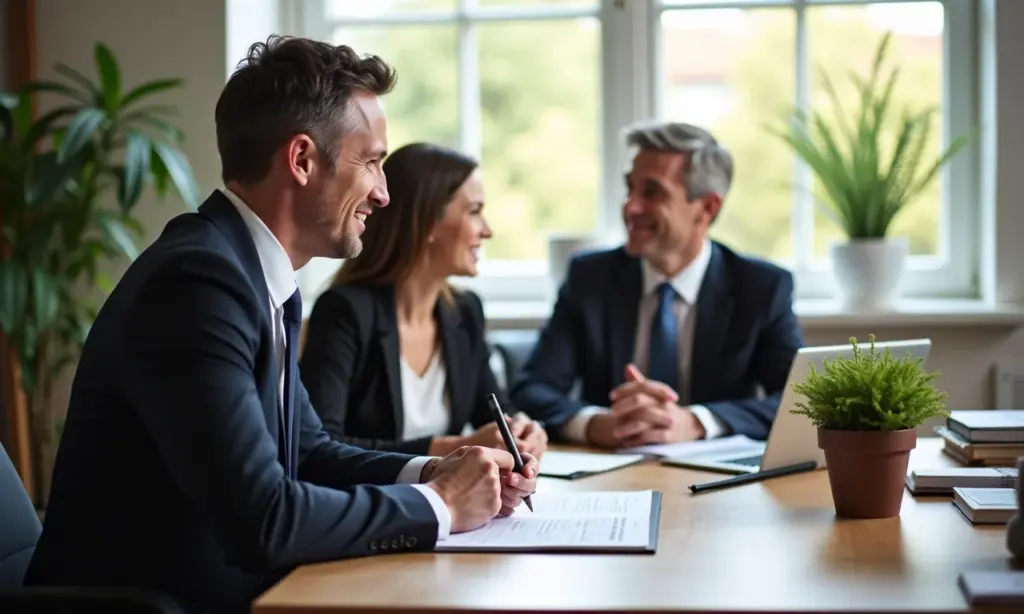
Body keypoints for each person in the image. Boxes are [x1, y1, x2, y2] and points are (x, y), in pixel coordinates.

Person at [24, 36, 537, 614]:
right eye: (370, 162)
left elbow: (309, 449)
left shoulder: (255, 274)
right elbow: (262, 520)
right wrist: (441, 504)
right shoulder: (197, 283)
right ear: (301, 160)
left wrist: (437, 469)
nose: (385, 193)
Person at [509, 121, 805, 449]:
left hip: (717, 482)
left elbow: (797, 400)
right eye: (629, 188)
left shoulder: (760, 287)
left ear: (707, 207)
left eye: (652, 192)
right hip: (611, 477)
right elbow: (533, 389)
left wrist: (695, 422)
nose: (630, 207)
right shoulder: (589, 278)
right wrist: (595, 424)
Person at [300, 142, 548, 458]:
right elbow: (320, 446)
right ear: (428, 221)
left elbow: (495, 413)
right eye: (474, 212)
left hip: (455, 502)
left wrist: (523, 430)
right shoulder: (345, 312)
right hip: (374, 502)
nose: (488, 231)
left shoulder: (465, 312)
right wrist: (452, 449)